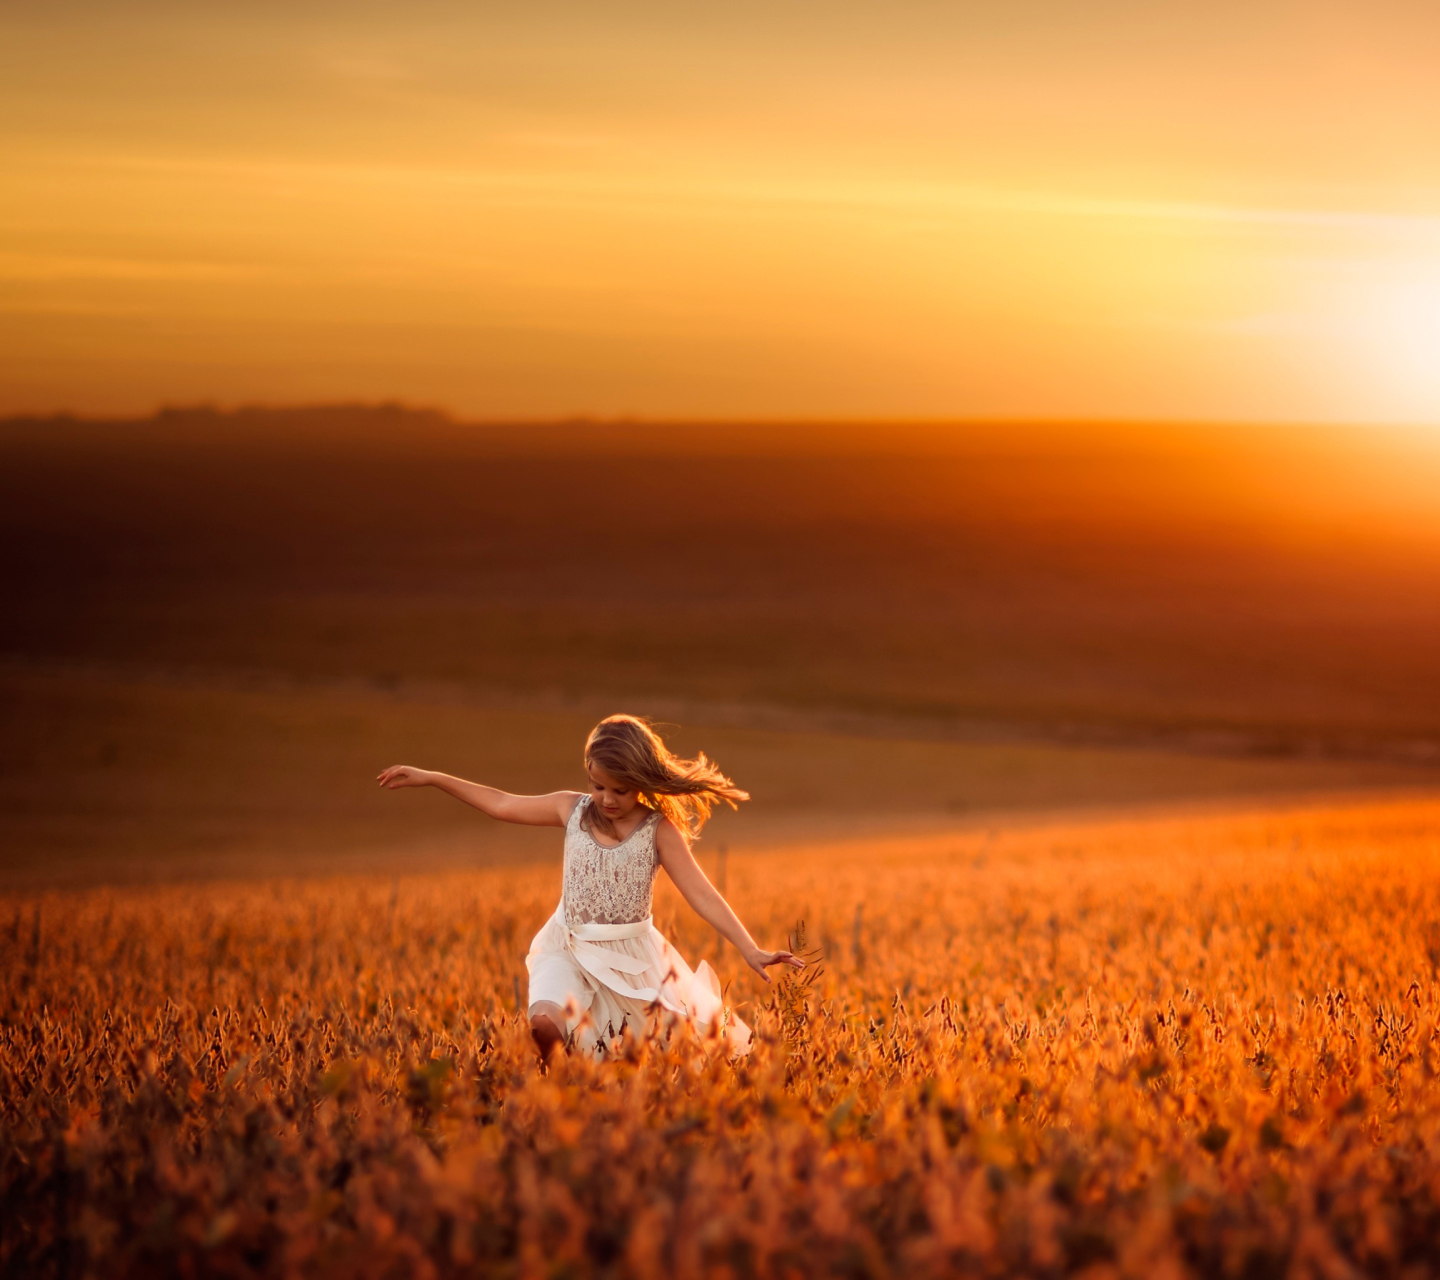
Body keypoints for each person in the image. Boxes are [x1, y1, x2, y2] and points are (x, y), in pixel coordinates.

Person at [376, 714, 802, 1060]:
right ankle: (548, 1094)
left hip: (630, 960)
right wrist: (432, 777)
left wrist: (750, 949)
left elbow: (703, 894)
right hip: (567, 946)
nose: (608, 799)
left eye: (622, 790)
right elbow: (501, 803)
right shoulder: (571, 809)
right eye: (598, 786)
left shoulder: (659, 831)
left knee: (657, 1057)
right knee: (544, 1025)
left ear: (644, 782)